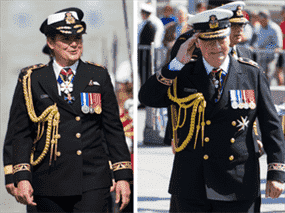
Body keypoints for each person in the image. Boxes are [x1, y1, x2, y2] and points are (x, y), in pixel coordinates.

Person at [139, 8, 285, 212]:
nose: (216, 47)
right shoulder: (183, 73)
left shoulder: (252, 74)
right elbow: (147, 97)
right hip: (192, 184)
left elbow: (272, 126)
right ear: (197, 43)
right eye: (208, 42)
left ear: (229, 38)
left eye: (221, 40)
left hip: (238, 182)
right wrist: (176, 63)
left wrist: (276, 172)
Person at [3, 7, 132, 212]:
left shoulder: (97, 75)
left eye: (78, 38)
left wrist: (123, 176)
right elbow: (20, 133)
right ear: (51, 43)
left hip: (91, 180)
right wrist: (20, 176)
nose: (74, 44)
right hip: (47, 180)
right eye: (66, 39)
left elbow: (113, 129)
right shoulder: (32, 79)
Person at [138, 3, 156, 88]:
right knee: (142, 73)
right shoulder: (143, 24)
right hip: (142, 53)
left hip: (146, 53)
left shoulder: (150, 26)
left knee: (146, 72)